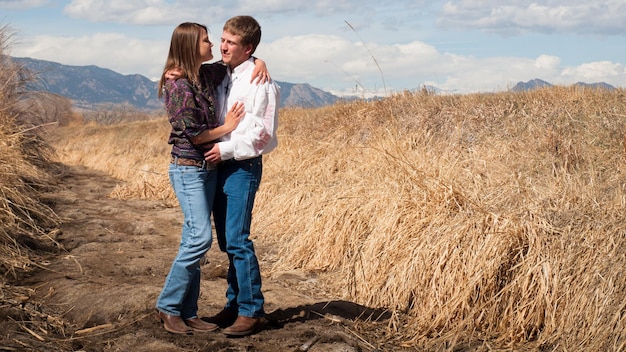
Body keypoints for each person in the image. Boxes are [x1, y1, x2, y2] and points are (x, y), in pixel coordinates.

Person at [155, 22, 268, 335]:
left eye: (223, 40)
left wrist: (259, 60)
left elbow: (237, 61)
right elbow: (193, 135)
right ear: (192, 46)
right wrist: (227, 127)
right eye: (210, 40)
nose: (216, 45)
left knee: (205, 238)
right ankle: (168, 306)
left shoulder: (208, 74)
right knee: (200, 239)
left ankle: (189, 311)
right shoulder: (178, 85)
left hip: (214, 168)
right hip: (190, 166)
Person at [203, 15, 280, 337]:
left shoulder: (262, 83)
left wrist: (228, 149)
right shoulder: (224, 74)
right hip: (218, 164)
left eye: (231, 42)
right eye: (222, 39)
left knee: (237, 239)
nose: (223, 46)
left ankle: (252, 311)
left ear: (247, 48)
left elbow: (265, 134)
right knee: (226, 240)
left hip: (241, 166)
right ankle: (234, 305)